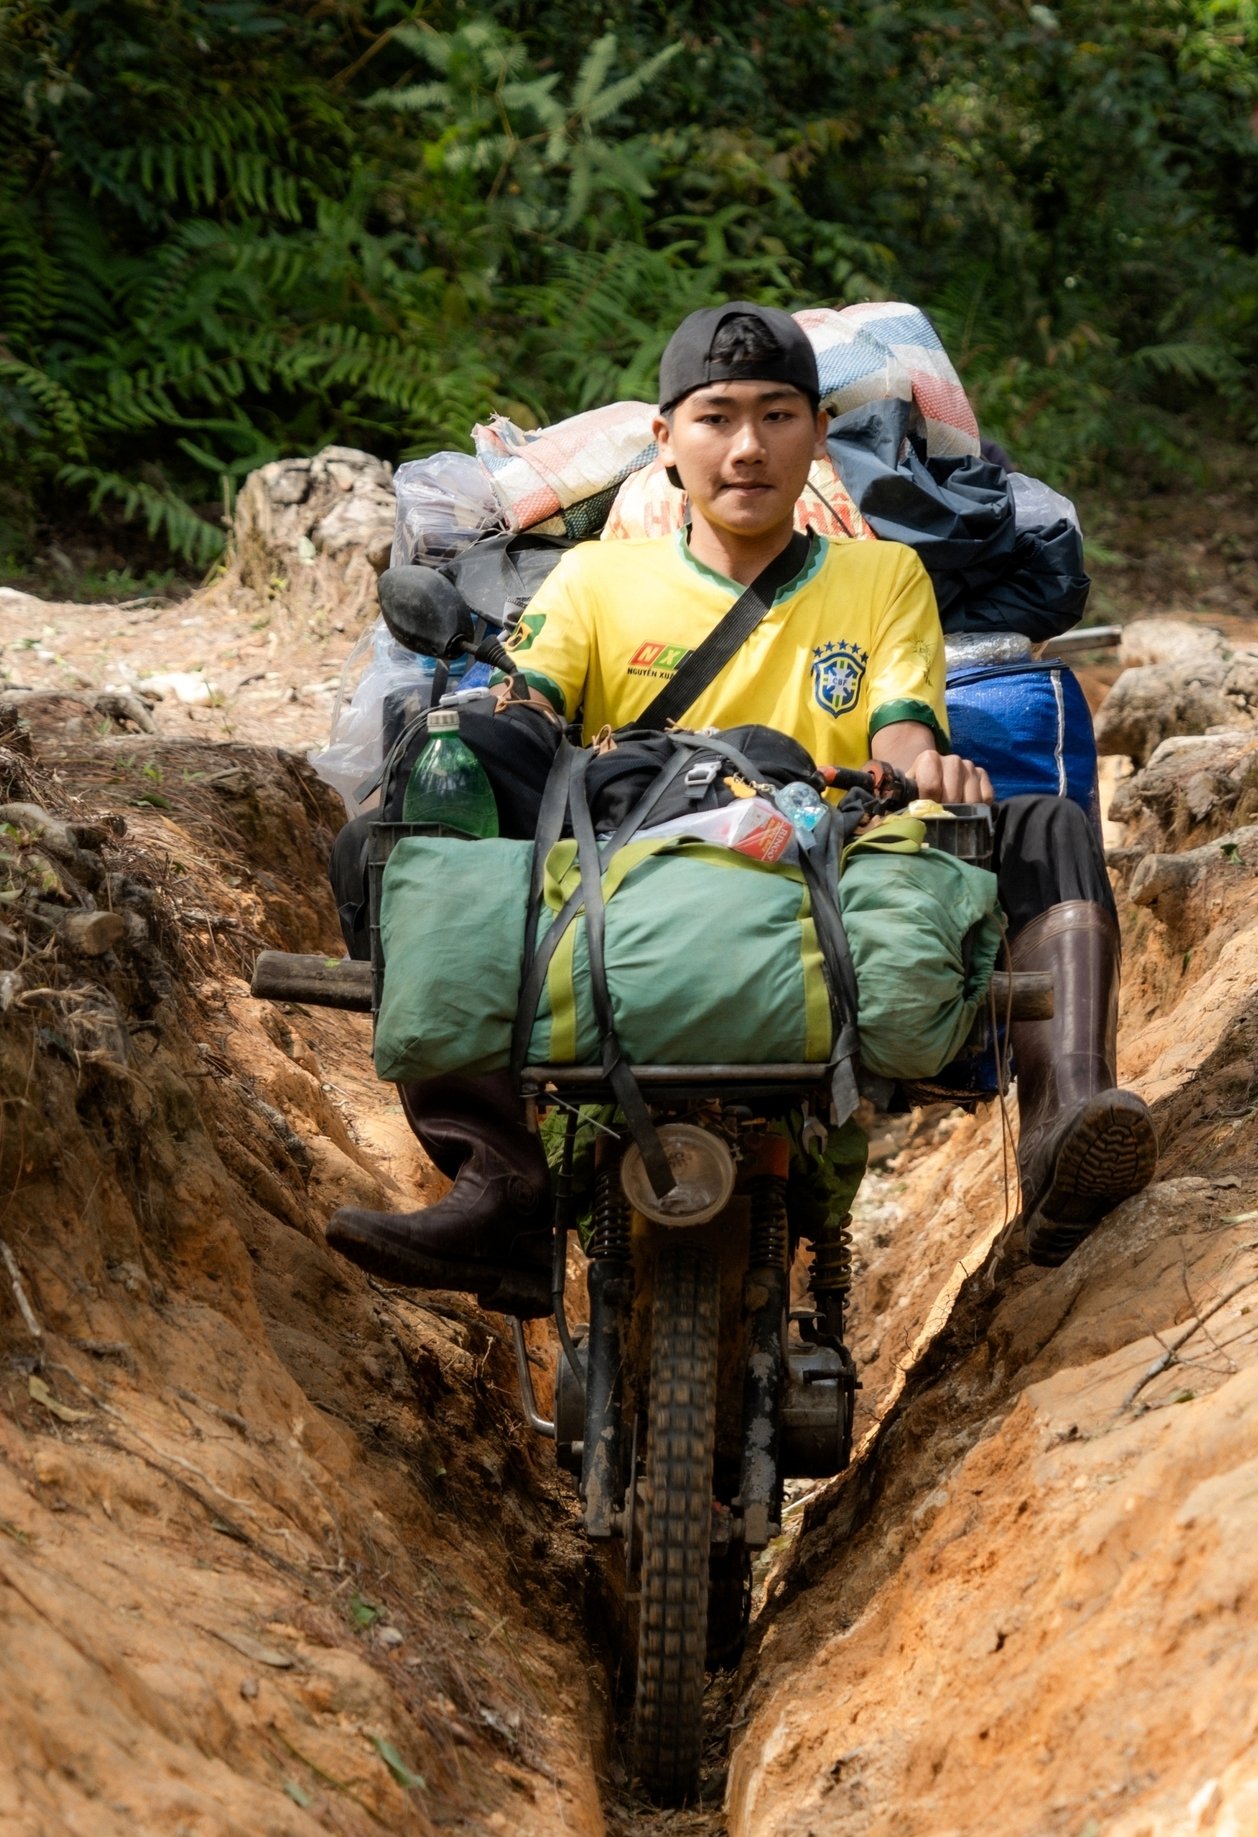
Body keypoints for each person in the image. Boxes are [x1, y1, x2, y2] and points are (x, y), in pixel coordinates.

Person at [325, 302, 1156, 1295]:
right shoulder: (593, 580)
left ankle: (1066, 1129)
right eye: (717, 417)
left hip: (829, 846)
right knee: (406, 812)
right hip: (624, 839)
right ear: (666, 440)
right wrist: (492, 729)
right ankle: (502, 1182)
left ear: (818, 436)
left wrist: (925, 762)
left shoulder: (884, 575)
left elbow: (899, 722)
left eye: (777, 416)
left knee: (1050, 828)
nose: (748, 447)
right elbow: (531, 701)